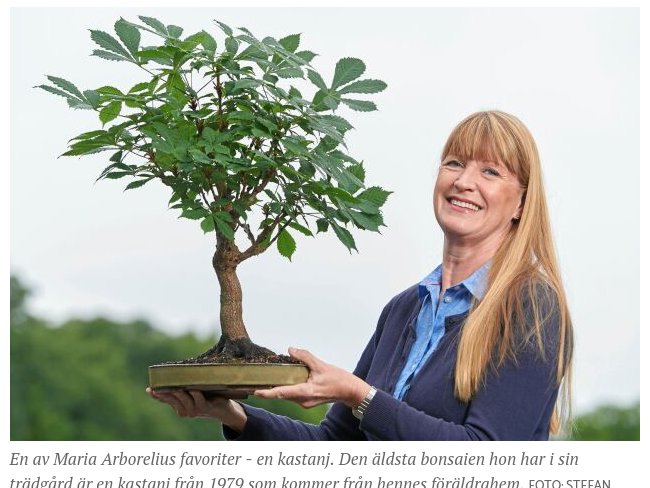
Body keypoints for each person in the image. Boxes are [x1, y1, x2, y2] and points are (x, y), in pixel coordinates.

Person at [148, 110, 573, 440]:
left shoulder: (531, 306)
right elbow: (334, 445)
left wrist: (358, 394)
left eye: (490, 171)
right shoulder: (404, 310)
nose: (464, 181)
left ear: (520, 202)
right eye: (454, 163)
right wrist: (231, 414)